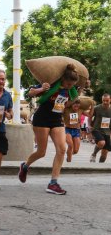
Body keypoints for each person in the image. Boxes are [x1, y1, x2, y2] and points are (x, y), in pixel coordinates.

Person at [18, 64, 80, 195]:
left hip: (57, 119)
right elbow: (29, 93)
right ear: (63, 79)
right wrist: (41, 88)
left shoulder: (71, 90)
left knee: (62, 149)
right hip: (42, 118)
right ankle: (25, 166)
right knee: (41, 152)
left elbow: (67, 103)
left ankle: (53, 183)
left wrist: (79, 90)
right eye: (68, 84)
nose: (70, 87)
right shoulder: (50, 83)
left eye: (72, 85)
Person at [89, 93, 111, 163]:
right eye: (103, 100)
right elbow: (90, 116)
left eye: (107, 100)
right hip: (96, 129)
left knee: (104, 155)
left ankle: (99, 166)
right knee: (101, 143)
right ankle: (94, 154)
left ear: (110, 100)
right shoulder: (97, 108)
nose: (105, 102)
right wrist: (89, 126)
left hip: (107, 131)